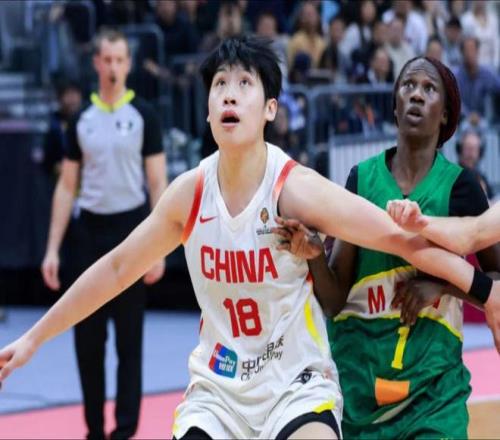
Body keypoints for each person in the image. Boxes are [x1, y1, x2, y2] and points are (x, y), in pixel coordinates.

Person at [1, 37, 499, 440]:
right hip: (218, 392)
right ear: (208, 111)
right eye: (220, 84)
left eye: (244, 83)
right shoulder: (188, 194)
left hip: (296, 386)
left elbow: (396, 237)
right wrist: (34, 338)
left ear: (269, 109)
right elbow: (115, 269)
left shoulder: (295, 188)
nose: (230, 94)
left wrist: (483, 291)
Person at [274, 56, 500, 438]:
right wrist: (313, 258)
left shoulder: (462, 187)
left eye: (429, 89)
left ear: (445, 115)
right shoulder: (361, 180)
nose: (416, 95)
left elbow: (495, 283)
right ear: (395, 105)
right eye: (408, 85)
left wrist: (442, 287)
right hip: (358, 383)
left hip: (434, 390)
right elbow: (334, 301)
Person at [40, 29, 167, 440]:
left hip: (131, 231)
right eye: (106, 59)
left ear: (128, 64)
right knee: (88, 342)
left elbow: (158, 183)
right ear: (96, 63)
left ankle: (125, 431)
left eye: (119, 60)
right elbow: (66, 187)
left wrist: (159, 248)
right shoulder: (81, 119)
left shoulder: (145, 116)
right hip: (89, 234)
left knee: (130, 342)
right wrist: (52, 249)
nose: (113, 67)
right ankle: (94, 430)